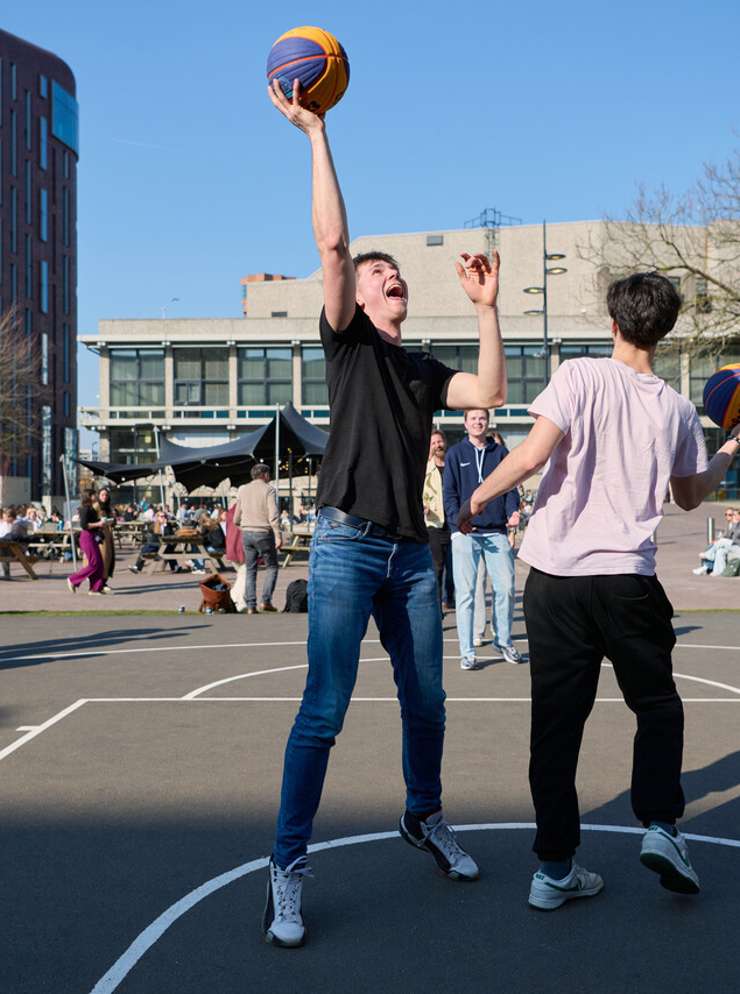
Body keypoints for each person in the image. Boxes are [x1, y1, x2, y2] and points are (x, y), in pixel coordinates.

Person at [262, 77, 508, 948]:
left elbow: (491, 388)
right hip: (342, 545)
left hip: (409, 552)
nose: (390, 278)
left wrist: (487, 309)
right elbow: (332, 243)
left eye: (397, 274)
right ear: (359, 299)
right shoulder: (350, 342)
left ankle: (424, 816)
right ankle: (286, 868)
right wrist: (315, 133)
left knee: (430, 702)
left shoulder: (425, 368)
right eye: (380, 274)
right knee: (323, 710)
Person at [459, 271, 740, 910]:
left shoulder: (580, 376)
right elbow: (691, 495)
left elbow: (532, 455)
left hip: (555, 581)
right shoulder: (673, 408)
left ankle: (554, 868)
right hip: (627, 584)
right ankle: (663, 826)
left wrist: (478, 494)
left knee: (556, 729)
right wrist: (728, 453)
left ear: (613, 324)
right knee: (659, 708)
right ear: (665, 336)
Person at [444, 409, 522, 669]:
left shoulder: (500, 453)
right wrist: (458, 523)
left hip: (496, 531)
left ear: (488, 423)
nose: (478, 423)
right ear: (465, 423)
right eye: (473, 418)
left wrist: (512, 510)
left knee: (507, 588)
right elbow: (450, 493)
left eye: (482, 419)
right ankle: (467, 651)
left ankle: (503, 640)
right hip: (466, 534)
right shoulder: (455, 454)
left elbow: (510, 485)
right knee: (465, 594)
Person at [233, 463, 282, 614]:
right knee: (272, 566)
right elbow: (273, 515)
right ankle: (266, 601)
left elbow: (236, 518)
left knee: (251, 569)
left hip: (247, 533)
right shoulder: (269, 490)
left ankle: (250, 605)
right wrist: (278, 535)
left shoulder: (243, 489)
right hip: (263, 532)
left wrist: (244, 527)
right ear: (265, 475)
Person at [422, 429, 455, 612]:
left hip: (453, 521)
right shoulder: (425, 468)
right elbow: (418, 492)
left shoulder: (452, 464)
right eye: (433, 443)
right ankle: (437, 605)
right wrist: (423, 506)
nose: (437, 446)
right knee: (438, 565)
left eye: (439, 442)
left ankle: (449, 597)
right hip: (434, 523)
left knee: (453, 566)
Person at [67, 490, 109, 595]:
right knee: (94, 563)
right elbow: (84, 525)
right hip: (87, 537)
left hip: (93, 536)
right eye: (94, 494)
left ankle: (95, 588)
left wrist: (103, 522)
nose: (96, 496)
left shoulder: (91, 508)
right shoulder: (84, 509)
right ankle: (73, 579)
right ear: (89, 496)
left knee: (99, 564)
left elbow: (95, 522)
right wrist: (99, 524)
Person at [692, 507, 740, 576]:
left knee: (721, 542)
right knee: (720, 551)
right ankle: (718, 571)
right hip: (733, 546)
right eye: (726, 514)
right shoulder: (734, 525)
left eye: (734, 515)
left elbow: (735, 537)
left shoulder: (737, 525)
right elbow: (728, 535)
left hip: (737, 546)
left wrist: (735, 524)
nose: (733, 517)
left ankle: (707, 556)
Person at [95, 486, 116, 584]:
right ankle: (99, 582)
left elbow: (114, 521)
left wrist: (113, 519)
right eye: (102, 495)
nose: (104, 497)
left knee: (108, 558)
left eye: (106, 495)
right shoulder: (96, 506)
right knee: (102, 558)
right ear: (98, 496)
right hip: (99, 536)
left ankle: (104, 581)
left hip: (108, 535)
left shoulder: (109, 507)